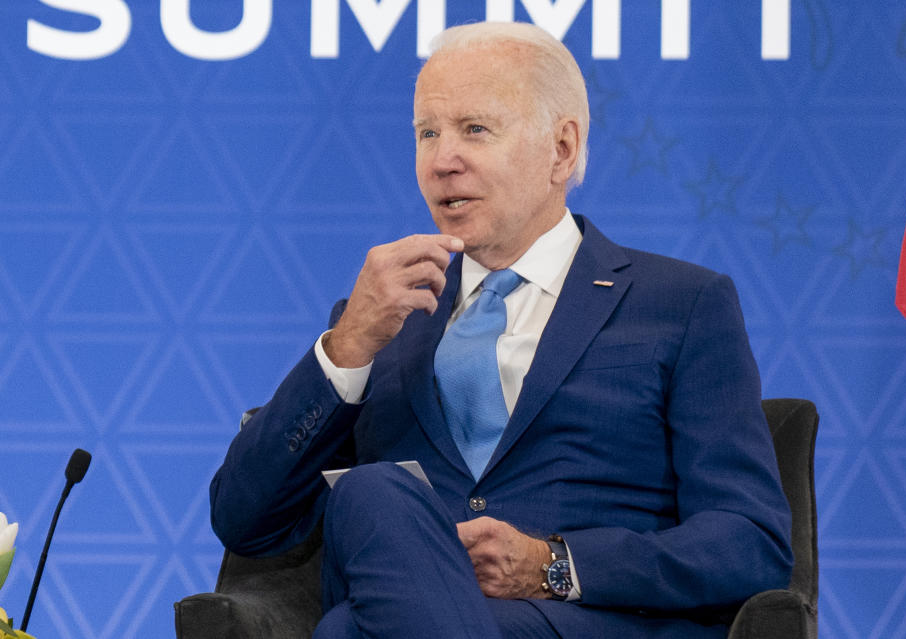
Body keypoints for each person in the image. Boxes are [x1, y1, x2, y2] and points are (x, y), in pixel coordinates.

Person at [209, 21, 793, 639]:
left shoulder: (680, 303)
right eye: (426, 134)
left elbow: (748, 541)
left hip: (582, 624)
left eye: (475, 130)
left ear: (561, 149)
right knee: (371, 494)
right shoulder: (383, 323)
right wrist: (346, 348)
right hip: (410, 610)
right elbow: (245, 522)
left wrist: (555, 565)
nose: (442, 161)